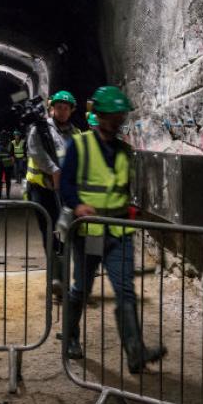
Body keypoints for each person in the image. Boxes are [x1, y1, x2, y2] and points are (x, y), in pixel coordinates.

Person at [60, 86, 166, 374]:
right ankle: (69, 337)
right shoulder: (79, 147)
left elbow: (125, 188)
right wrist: (78, 205)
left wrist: (133, 209)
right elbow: (66, 184)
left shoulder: (125, 151)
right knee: (82, 288)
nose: (118, 120)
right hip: (89, 232)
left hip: (119, 232)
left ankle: (135, 353)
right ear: (100, 116)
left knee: (125, 291)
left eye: (121, 115)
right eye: (114, 115)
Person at [26, 90, 82, 296]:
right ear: (52, 108)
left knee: (65, 235)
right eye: (58, 107)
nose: (61, 111)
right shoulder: (40, 130)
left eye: (66, 108)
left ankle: (62, 279)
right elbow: (34, 151)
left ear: (71, 110)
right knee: (51, 235)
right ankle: (56, 279)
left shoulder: (76, 134)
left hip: (65, 193)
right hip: (42, 191)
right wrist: (54, 169)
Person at [0, 130, 16, 199]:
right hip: (7, 163)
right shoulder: (10, 144)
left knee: (0, 180)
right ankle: (7, 195)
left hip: (0, 163)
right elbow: (12, 155)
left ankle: (0, 195)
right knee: (7, 180)